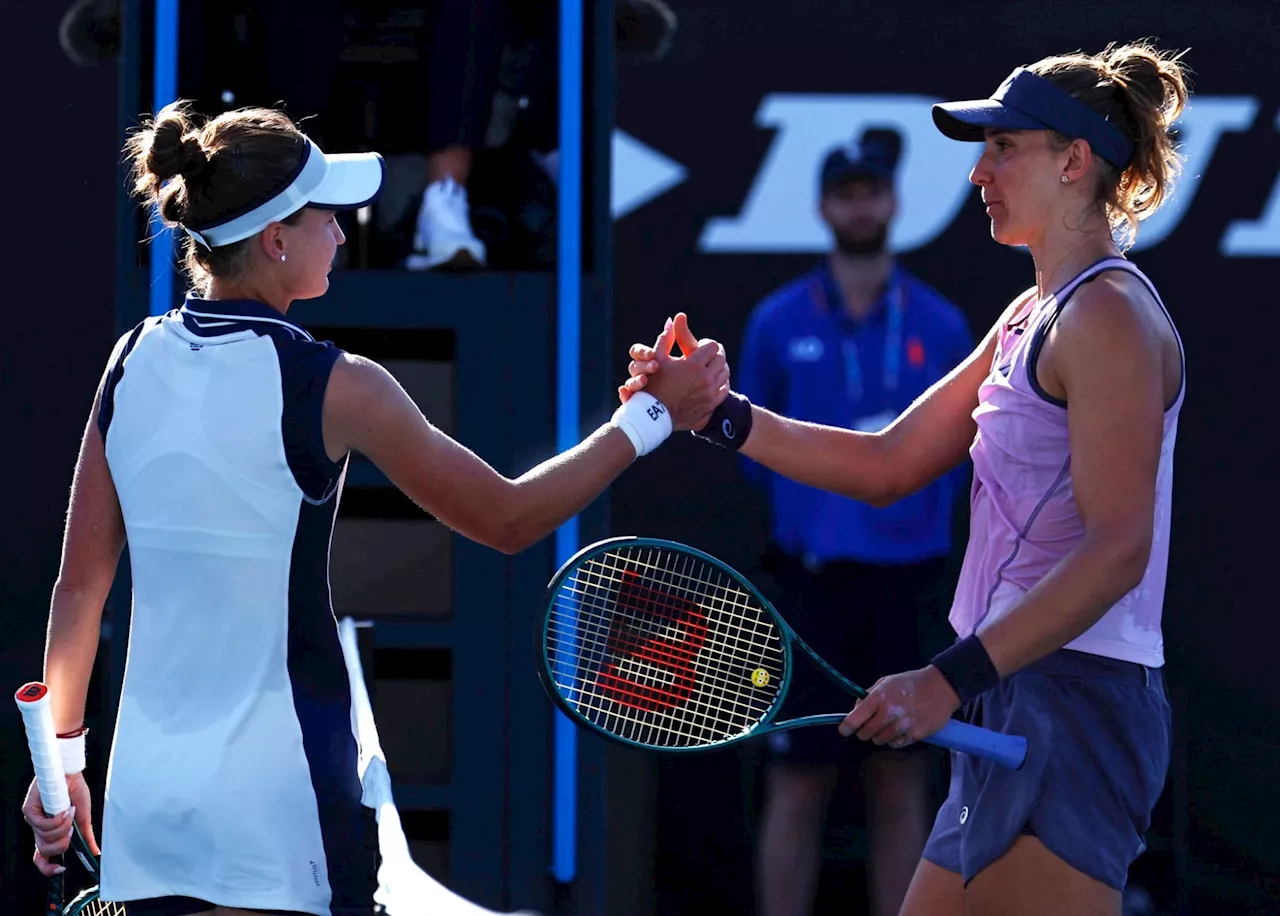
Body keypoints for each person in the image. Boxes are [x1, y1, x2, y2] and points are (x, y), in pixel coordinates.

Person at [21, 100, 727, 916]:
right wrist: (649, 419)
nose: (344, 232)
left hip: (149, 803)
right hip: (281, 806)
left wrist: (58, 763)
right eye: (326, 215)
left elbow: (79, 587)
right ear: (277, 238)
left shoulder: (129, 360)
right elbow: (508, 518)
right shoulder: (341, 384)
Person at [623, 39, 1189, 915]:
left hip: (1073, 702)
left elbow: (1118, 550)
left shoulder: (1108, 317)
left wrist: (948, 678)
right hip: (1015, 692)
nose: (979, 173)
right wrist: (719, 414)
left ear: (1075, 162)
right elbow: (888, 463)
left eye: (1005, 147)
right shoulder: (1033, 312)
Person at [738, 129, 972, 916]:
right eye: (847, 192)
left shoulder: (940, 326)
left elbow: (969, 453)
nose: (861, 204)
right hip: (808, 586)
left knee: (902, 779)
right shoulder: (777, 322)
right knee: (796, 777)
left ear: (893, 201)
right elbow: (751, 450)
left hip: (906, 584)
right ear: (823, 206)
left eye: (873, 190)